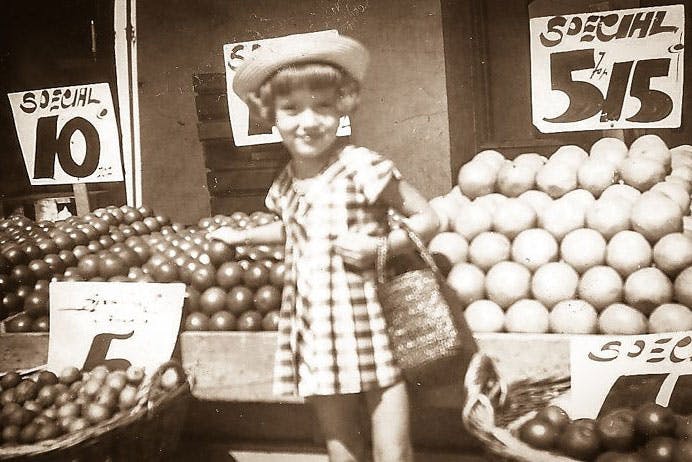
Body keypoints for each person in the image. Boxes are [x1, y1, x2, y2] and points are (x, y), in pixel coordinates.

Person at [209, 33, 439, 462]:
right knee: (339, 446)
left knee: (394, 451)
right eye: (291, 109)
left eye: (323, 106)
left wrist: (381, 247)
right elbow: (296, 230)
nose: (308, 121)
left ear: (343, 106)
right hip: (317, 332)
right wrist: (243, 238)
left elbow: (427, 218)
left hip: (374, 326)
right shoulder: (284, 184)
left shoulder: (361, 167)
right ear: (269, 115)